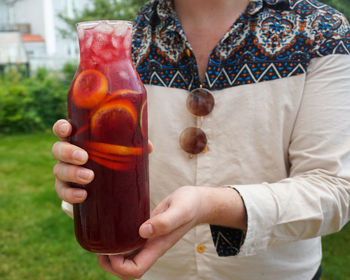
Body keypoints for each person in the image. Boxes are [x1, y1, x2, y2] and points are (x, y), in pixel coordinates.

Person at [51, 0, 350, 279]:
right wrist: (84, 185)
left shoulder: (320, 33)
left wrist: (209, 205)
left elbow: (334, 190)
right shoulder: (125, 42)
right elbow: (111, 165)